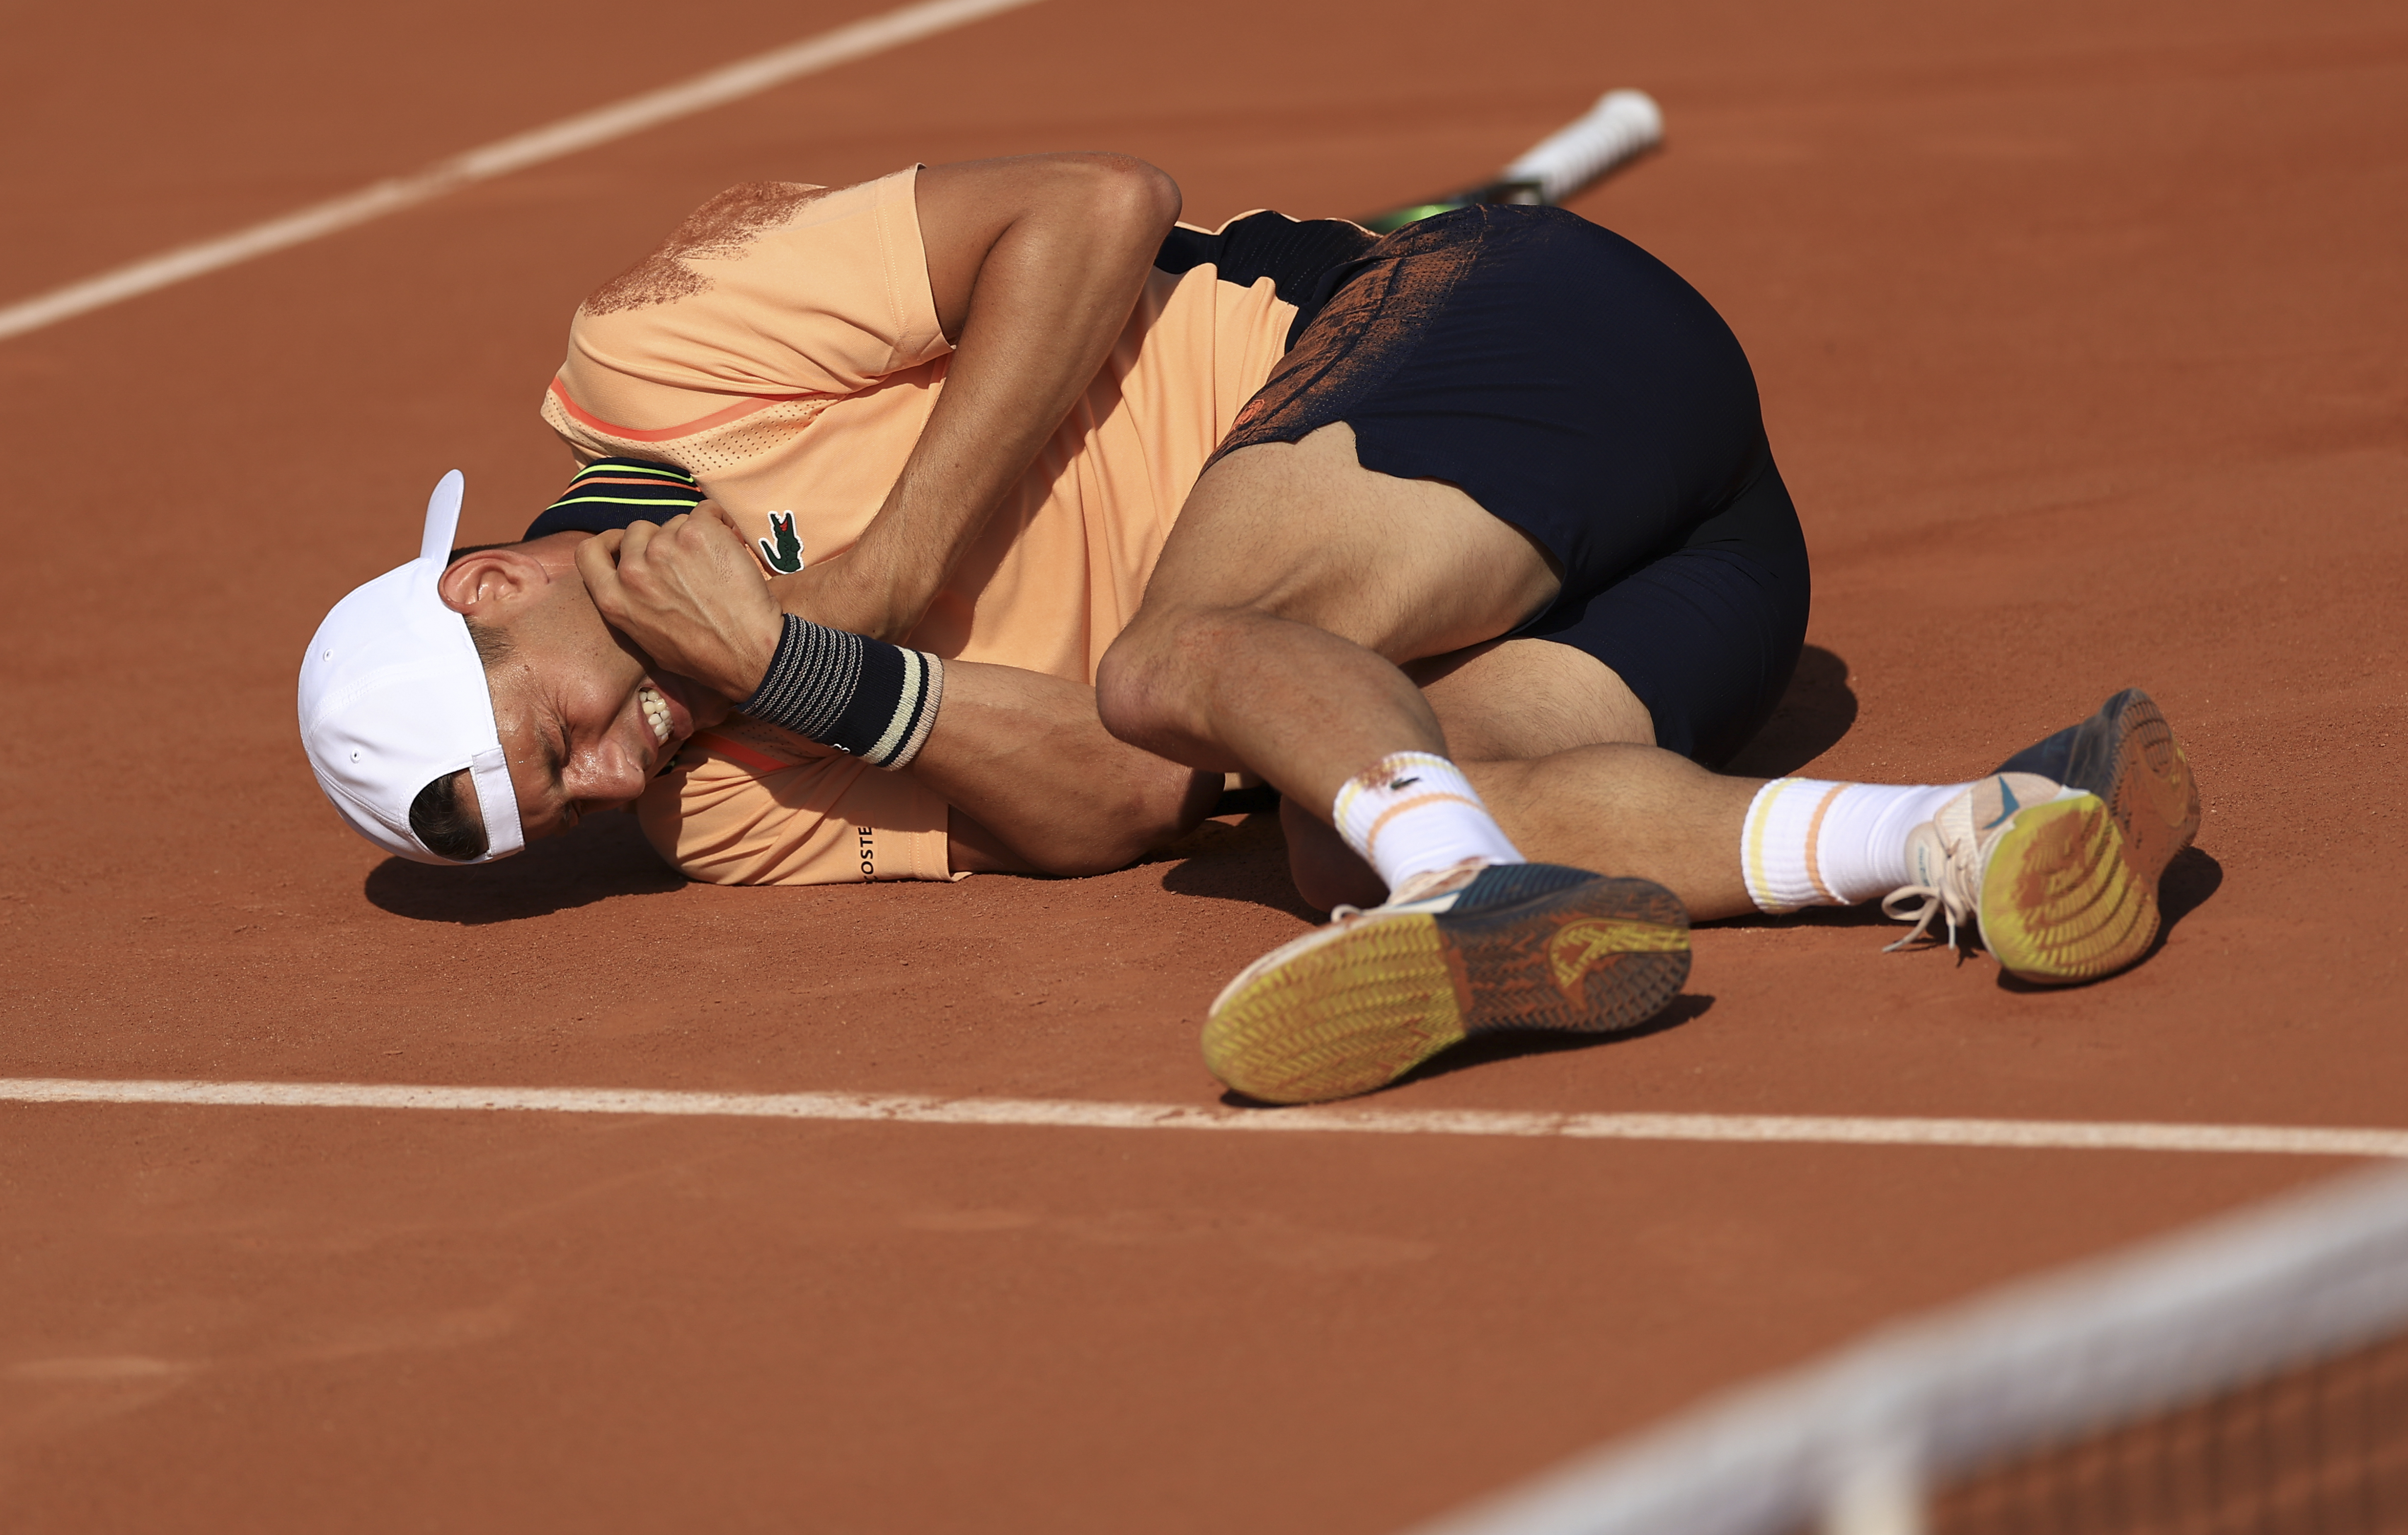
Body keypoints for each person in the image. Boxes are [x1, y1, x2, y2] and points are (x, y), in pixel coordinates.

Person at [297, 153, 2201, 1104]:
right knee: (1327, 812)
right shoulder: (717, 808)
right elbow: (1125, 804)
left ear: (494, 587)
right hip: (1692, 569)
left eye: (559, 738)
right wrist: (812, 681)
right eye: (573, 807)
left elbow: (1098, 209)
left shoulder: (653, 369)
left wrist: (864, 592)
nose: (621, 771)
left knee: (1172, 654)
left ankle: (1452, 888)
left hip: (1506, 335)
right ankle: (1987, 824)